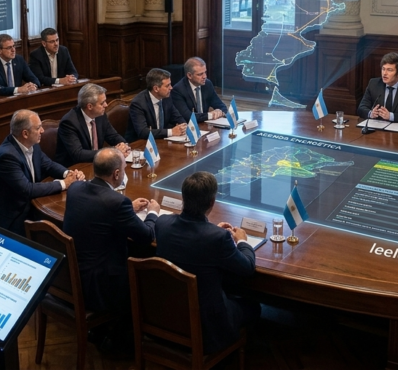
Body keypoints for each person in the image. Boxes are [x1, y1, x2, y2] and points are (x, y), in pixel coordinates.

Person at [154, 171, 260, 354]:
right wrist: (242, 240)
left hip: (165, 317)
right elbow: (247, 268)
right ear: (211, 202)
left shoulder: (161, 224)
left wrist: (211, 230)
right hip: (207, 328)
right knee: (254, 307)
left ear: (183, 197)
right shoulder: (217, 239)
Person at [63, 148, 159, 316]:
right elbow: (146, 236)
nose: (124, 172)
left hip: (69, 275)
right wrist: (153, 213)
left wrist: (129, 207)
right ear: (116, 174)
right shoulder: (116, 203)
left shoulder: (75, 188)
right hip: (100, 285)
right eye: (123, 169)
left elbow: (98, 210)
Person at [0, 110, 86, 234]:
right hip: (11, 217)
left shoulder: (32, 144)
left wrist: (69, 174)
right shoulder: (7, 156)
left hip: (28, 205)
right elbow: (27, 189)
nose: (42, 131)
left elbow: (48, 165)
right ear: (25, 133)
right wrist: (65, 183)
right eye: (38, 128)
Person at [56, 83, 131, 166]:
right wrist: (113, 151)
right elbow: (78, 154)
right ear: (90, 106)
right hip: (74, 168)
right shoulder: (69, 122)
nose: (106, 105)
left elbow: (113, 136)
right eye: (102, 103)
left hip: (96, 163)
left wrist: (123, 145)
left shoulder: (100, 115)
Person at [357, 52, 398, 123]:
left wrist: (391, 116)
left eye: (389, 70)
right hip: (378, 128)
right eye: (383, 69)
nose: (384, 73)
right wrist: (371, 114)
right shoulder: (374, 84)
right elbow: (361, 108)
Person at [126, 68, 187, 142]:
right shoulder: (138, 104)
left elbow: (178, 117)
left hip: (161, 140)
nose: (171, 88)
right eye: (167, 86)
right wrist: (171, 132)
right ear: (156, 88)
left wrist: (182, 127)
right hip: (141, 144)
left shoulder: (166, 97)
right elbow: (143, 132)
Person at [171, 57, 227, 123]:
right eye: (200, 74)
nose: (204, 76)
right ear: (189, 75)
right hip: (189, 128)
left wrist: (219, 111)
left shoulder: (207, 84)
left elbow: (222, 106)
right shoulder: (178, 90)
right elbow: (188, 116)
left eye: (205, 72)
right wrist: (210, 115)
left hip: (205, 124)